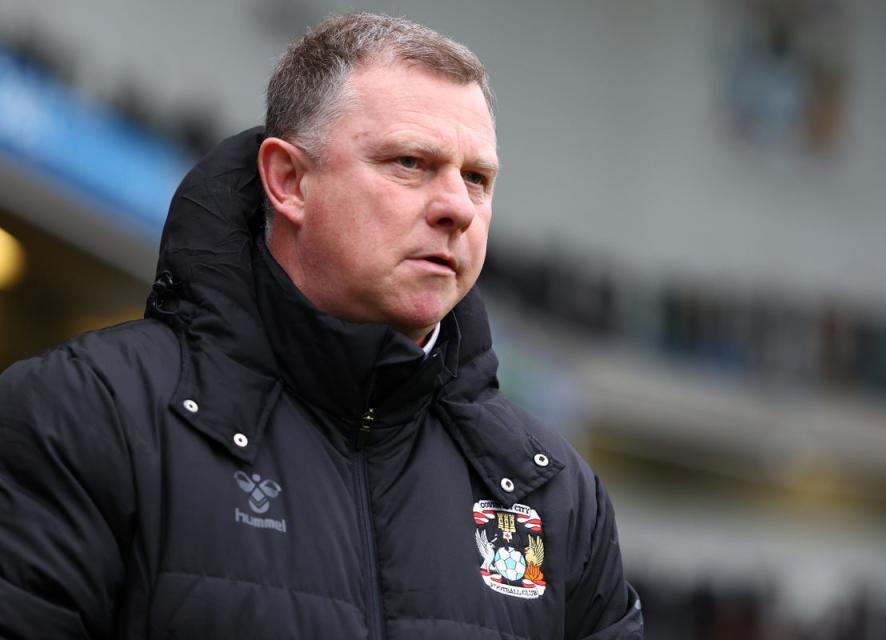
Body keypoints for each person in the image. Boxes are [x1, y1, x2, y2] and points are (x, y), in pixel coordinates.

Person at [0, 13, 643, 639]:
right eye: (410, 163)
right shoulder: (84, 412)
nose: (456, 208)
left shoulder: (554, 492)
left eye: (477, 178)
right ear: (288, 181)